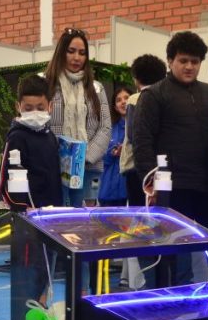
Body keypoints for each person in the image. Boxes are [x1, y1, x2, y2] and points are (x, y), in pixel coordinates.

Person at [133, 31, 208, 284]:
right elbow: (141, 141)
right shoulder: (153, 95)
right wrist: (150, 181)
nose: (189, 66)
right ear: (170, 61)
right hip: (171, 188)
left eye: (194, 62)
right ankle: (172, 302)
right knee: (174, 252)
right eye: (183, 60)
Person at [0, 74, 62, 308]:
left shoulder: (51, 138)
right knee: (29, 279)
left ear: (50, 107)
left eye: (40, 107)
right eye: (28, 108)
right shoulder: (16, 137)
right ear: (18, 107)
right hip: (28, 224)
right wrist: (24, 210)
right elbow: (3, 183)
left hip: (51, 220)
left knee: (46, 275)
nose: (34, 112)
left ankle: (40, 317)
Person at [44, 28, 111, 207]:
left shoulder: (97, 88)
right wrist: (61, 156)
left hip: (88, 168)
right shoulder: (45, 84)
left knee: (84, 225)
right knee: (57, 223)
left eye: (82, 53)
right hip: (53, 168)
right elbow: (39, 124)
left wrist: (83, 158)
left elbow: (105, 127)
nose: (77, 58)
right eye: (71, 51)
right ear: (61, 52)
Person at [121, 54, 167, 208]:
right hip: (160, 165)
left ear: (136, 78)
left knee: (139, 214)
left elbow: (134, 135)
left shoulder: (134, 99)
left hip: (136, 167)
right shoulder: (165, 97)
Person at [97, 85, 133, 207]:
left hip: (130, 189)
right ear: (115, 107)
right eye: (118, 100)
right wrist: (113, 152)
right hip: (108, 190)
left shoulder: (140, 126)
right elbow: (100, 157)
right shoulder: (108, 128)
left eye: (126, 98)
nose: (123, 102)